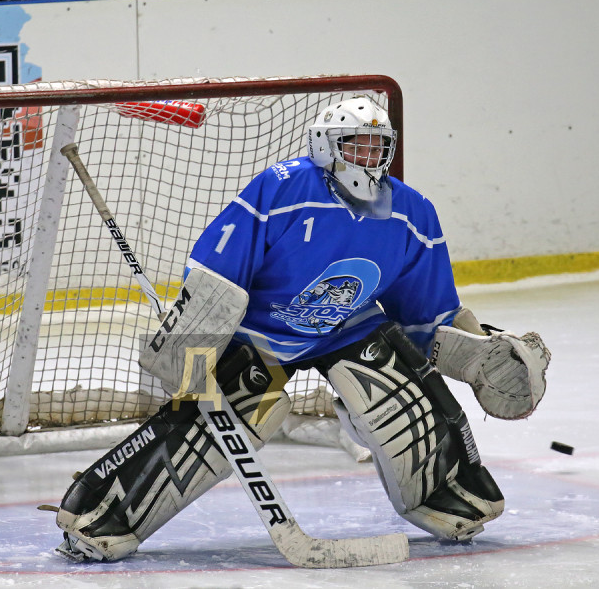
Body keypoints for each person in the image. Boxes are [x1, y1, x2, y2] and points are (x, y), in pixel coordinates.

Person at [51, 94, 551, 562]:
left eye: (377, 145)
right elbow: (220, 271)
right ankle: (105, 512)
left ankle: (443, 492)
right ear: (325, 146)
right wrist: (192, 344)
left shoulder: (412, 212)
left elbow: (425, 313)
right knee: (235, 409)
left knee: (393, 388)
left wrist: (476, 352)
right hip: (258, 333)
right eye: (355, 144)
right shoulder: (284, 187)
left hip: (347, 328)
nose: (368, 156)